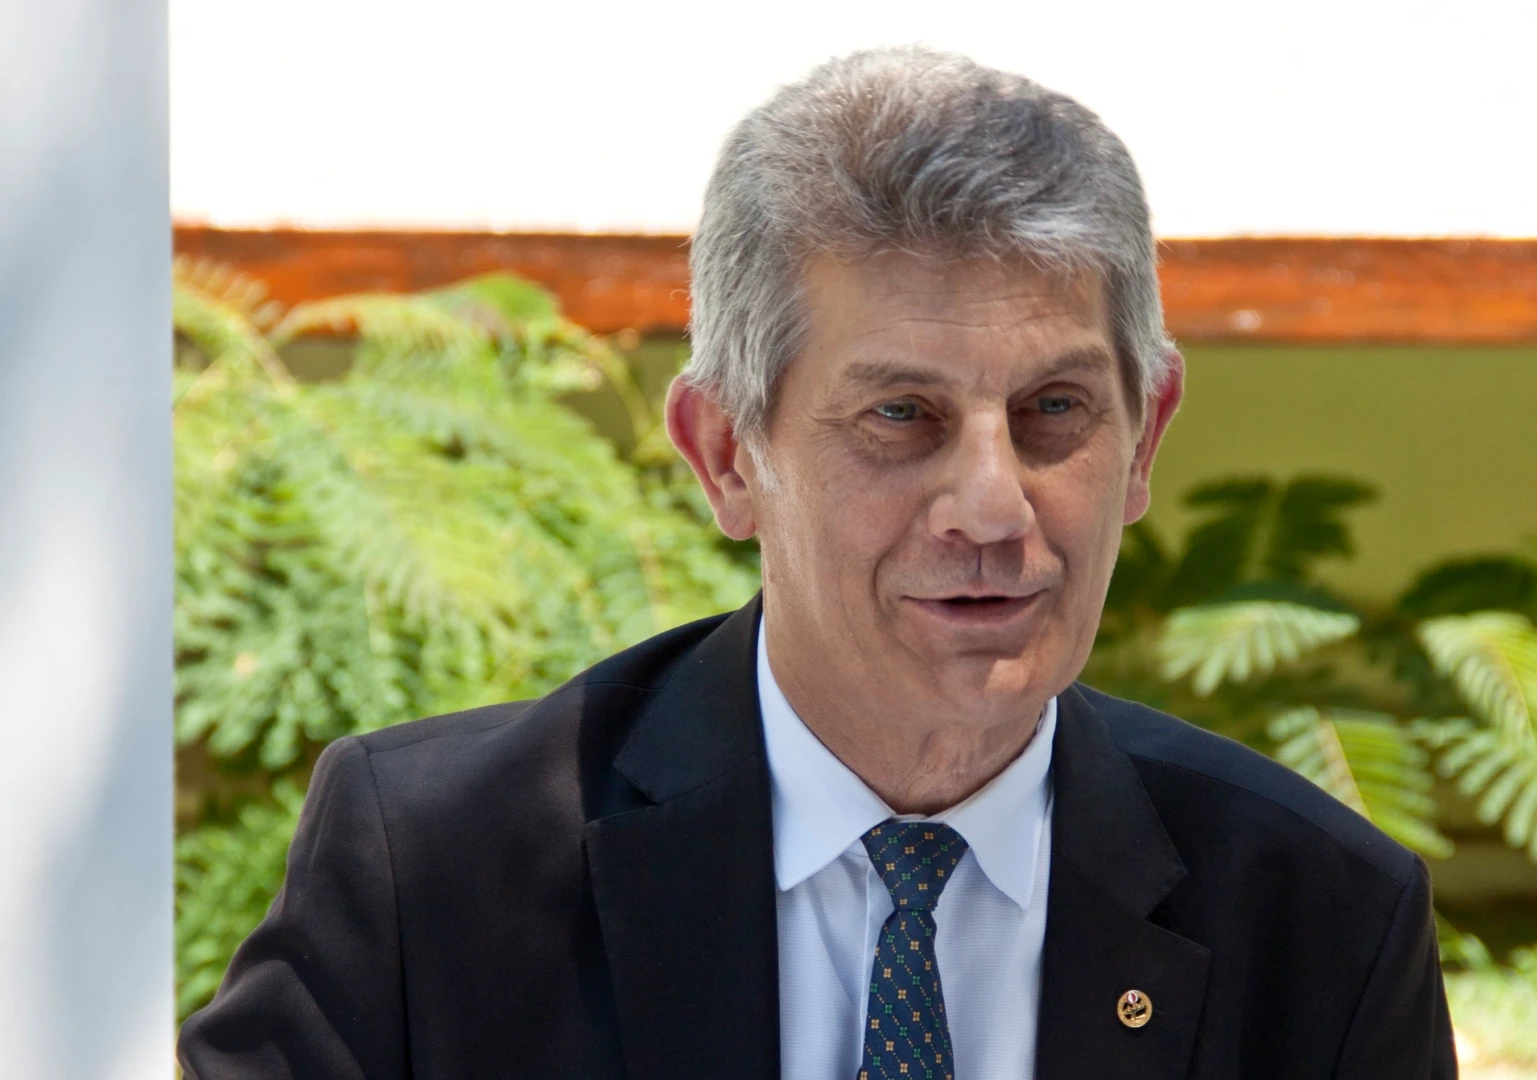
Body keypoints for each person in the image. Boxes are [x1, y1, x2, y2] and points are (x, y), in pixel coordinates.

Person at [178, 47, 1457, 1080]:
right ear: (725, 454)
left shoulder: (1319, 920)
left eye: (1054, 411)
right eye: (901, 416)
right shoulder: (433, 867)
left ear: (1145, 441)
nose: (992, 506)